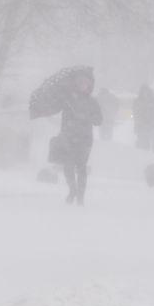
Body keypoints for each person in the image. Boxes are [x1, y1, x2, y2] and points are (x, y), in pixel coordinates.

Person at [56, 68, 102, 205]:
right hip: (69, 138)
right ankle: (73, 190)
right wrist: (63, 133)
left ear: (89, 85)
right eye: (80, 82)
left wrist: (86, 117)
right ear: (76, 84)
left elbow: (99, 121)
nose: (83, 85)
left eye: (85, 83)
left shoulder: (92, 102)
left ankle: (80, 196)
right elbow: (64, 120)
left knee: (81, 167)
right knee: (67, 166)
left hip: (85, 139)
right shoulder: (68, 101)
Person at [133, 84, 154, 154]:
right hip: (142, 126)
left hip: (153, 125)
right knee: (143, 143)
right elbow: (135, 113)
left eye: (146, 92)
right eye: (143, 92)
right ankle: (144, 155)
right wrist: (137, 123)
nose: (145, 94)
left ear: (149, 92)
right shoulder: (138, 101)